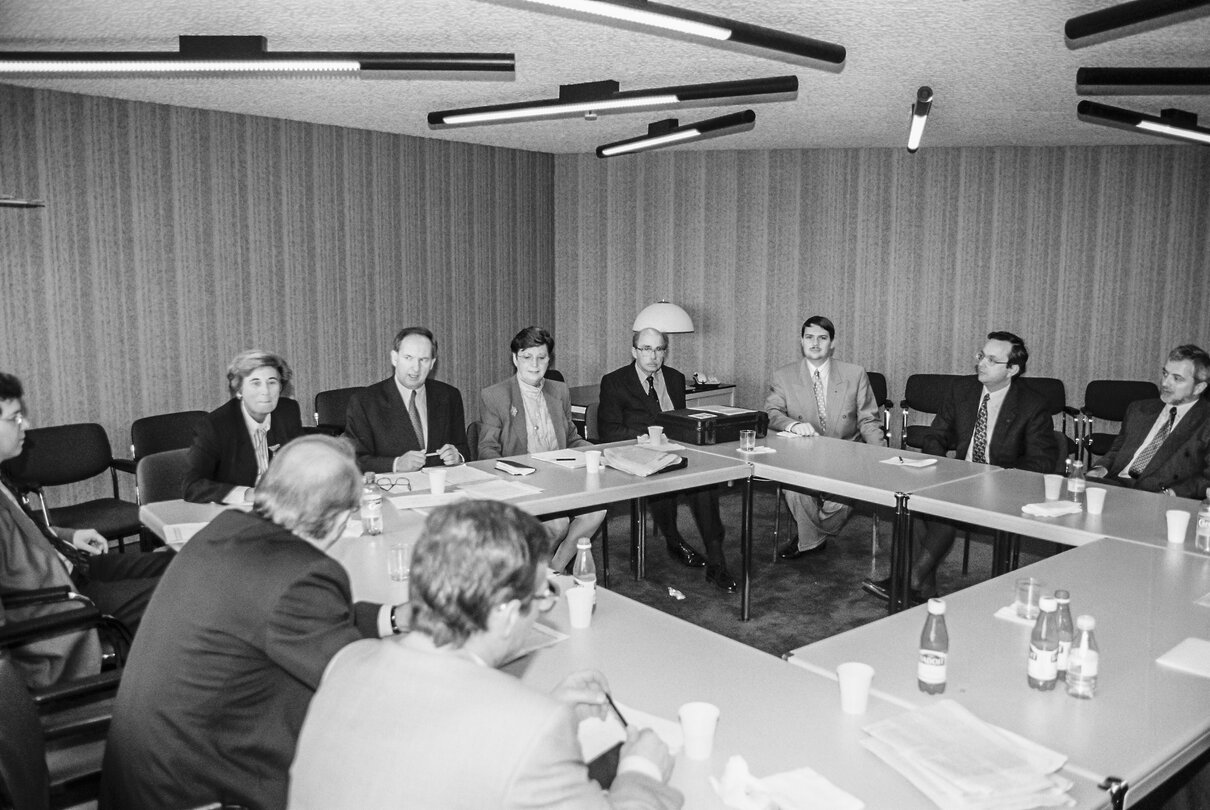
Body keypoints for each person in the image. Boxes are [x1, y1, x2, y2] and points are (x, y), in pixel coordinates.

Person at [287, 499, 682, 810]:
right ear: (507, 614)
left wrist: (538, 709)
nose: (542, 608)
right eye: (541, 597)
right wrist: (641, 772)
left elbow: (434, 742)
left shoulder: (347, 662)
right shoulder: (530, 728)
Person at [100, 435, 406, 810]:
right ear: (342, 518)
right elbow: (363, 688)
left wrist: (392, 617)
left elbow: (292, 622)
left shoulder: (227, 529)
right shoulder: (302, 575)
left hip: (146, 777)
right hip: (198, 792)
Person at [0, 373, 173, 689]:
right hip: (66, 604)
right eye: (15, 419)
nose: (24, 425)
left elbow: (24, 532)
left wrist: (65, 536)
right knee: (173, 592)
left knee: (176, 563)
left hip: (75, 567)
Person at [862, 331, 1056, 602]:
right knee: (909, 502)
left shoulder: (1032, 404)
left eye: (991, 359)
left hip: (1001, 486)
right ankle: (919, 585)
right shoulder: (963, 390)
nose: (981, 363)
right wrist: (939, 467)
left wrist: (995, 475)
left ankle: (911, 581)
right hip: (958, 477)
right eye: (981, 356)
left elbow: (1042, 460)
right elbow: (936, 435)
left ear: (1012, 369)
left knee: (942, 512)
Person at [598, 327, 736, 593]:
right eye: (646, 349)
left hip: (677, 452)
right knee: (661, 479)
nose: (653, 356)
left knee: (705, 482)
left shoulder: (674, 378)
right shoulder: (614, 381)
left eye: (659, 349)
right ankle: (674, 541)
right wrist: (648, 439)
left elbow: (680, 420)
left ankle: (717, 561)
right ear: (634, 351)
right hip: (637, 455)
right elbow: (609, 431)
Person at [479, 326, 607, 571]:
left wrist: (595, 453)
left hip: (562, 480)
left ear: (550, 359)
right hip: (522, 484)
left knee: (597, 511)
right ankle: (532, 574)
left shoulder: (558, 391)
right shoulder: (495, 396)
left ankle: (555, 568)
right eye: (527, 357)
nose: (535, 364)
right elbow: (487, 450)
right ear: (515, 358)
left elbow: (571, 438)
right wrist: (510, 478)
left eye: (542, 357)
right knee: (557, 523)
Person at [765, 316, 885, 559]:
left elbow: (868, 420)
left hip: (845, 455)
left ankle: (809, 536)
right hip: (803, 456)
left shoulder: (855, 373)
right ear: (801, 341)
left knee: (844, 499)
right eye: (809, 337)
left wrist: (881, 456)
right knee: (794, 490)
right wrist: (793, 424)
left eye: (822, 338)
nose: (815, 343)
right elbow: (771, 413)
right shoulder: (784, 375)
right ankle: (813, 539)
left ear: (832, 343)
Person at [1087, 344, 1210, 498]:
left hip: (1157, 495)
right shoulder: (1139, 409)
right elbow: (1117, 449)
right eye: (1165, 374)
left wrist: (1172, 493)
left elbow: (1206, 479)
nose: (1165, 383)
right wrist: (1100, 469)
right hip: (1115, 486)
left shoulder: (1205, 421)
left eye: (1177, 379)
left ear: (1199, 388)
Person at [182, 349, 304, 503]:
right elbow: (192, 486)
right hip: (235, 513)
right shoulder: (215, 426)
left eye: (272, 382)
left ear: (280, 387)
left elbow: (304, 461)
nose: (265, 391)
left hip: (284, 507)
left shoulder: (288, 411)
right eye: (255, 383)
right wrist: (247, 494)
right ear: (239, 390)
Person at [344, 326, 470, 473]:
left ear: (432, 363)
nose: (416, 368)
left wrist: (458, 456)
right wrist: (396, 464)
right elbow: (354, 460)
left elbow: (464, 449)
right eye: (408, 358)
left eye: (423, 360)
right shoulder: (365, 402)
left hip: (442, 489)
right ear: (395, 358)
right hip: (392, 489)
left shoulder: (449, 396)